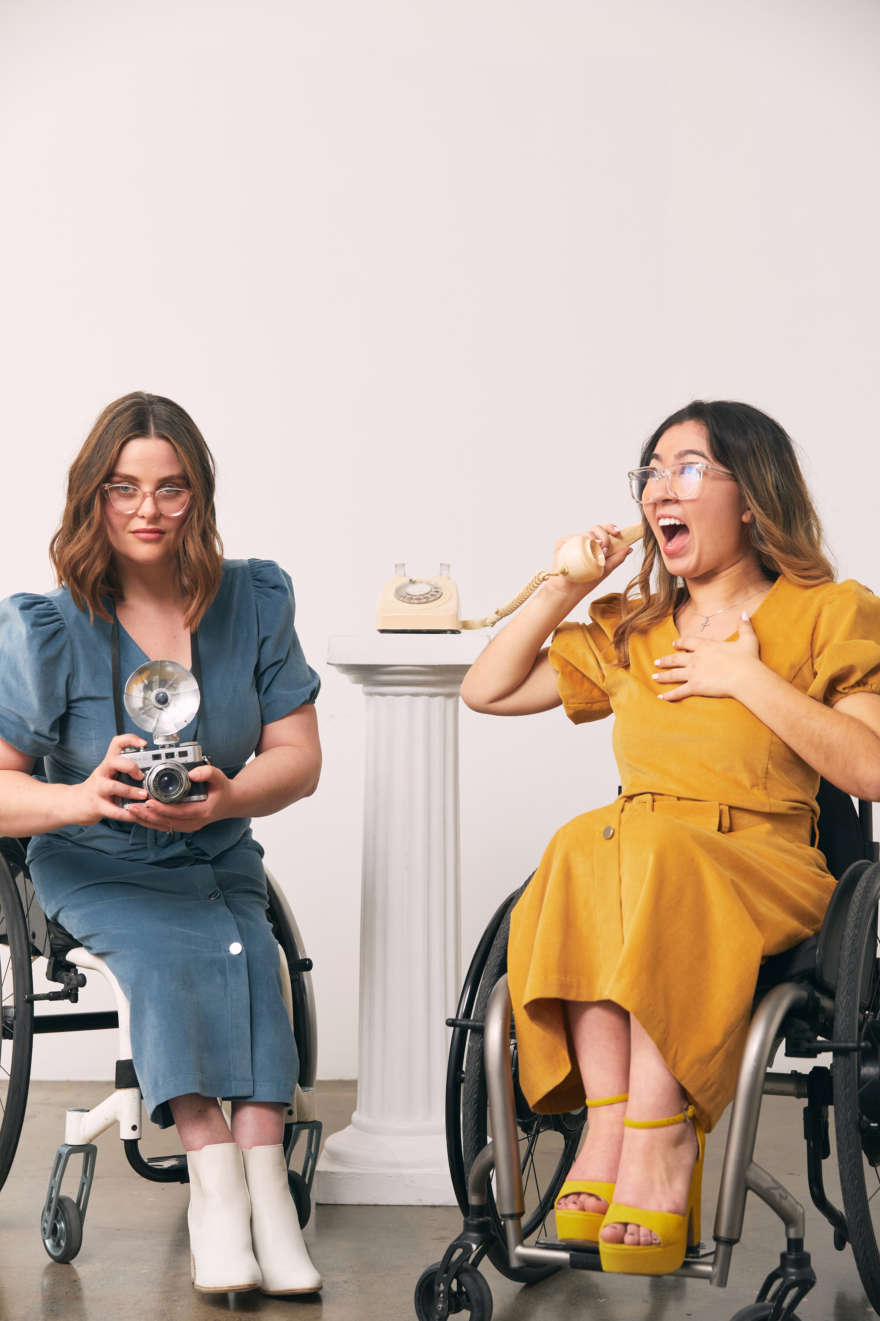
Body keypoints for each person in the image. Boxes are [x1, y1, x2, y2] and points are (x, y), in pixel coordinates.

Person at [460, 400, 880, 1276]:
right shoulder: (633, 625)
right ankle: (610, 1129)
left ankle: (663, 1141)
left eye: (686, 468)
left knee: (647, 851)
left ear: (753, 497)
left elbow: (869, 770)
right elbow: (488, 689)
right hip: (640, 856)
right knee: (584, 842)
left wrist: (746, 676)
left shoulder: (828, 609)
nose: (659, 489)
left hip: (769, 863)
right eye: (650, 471)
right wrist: (566, 586)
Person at [0, 392, 323, 1295]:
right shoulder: (47, 625)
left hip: (214, 851)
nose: (147, 510)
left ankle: (268, 1190)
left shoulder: (254, 598)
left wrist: (228, 793)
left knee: (254, 957)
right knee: (170, 961)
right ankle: (215, 1184)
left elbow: (298, 759)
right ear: (92, 496)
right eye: (124, 487)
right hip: (96, 860)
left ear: (200, 498)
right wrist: (78, 796)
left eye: (172, 489)